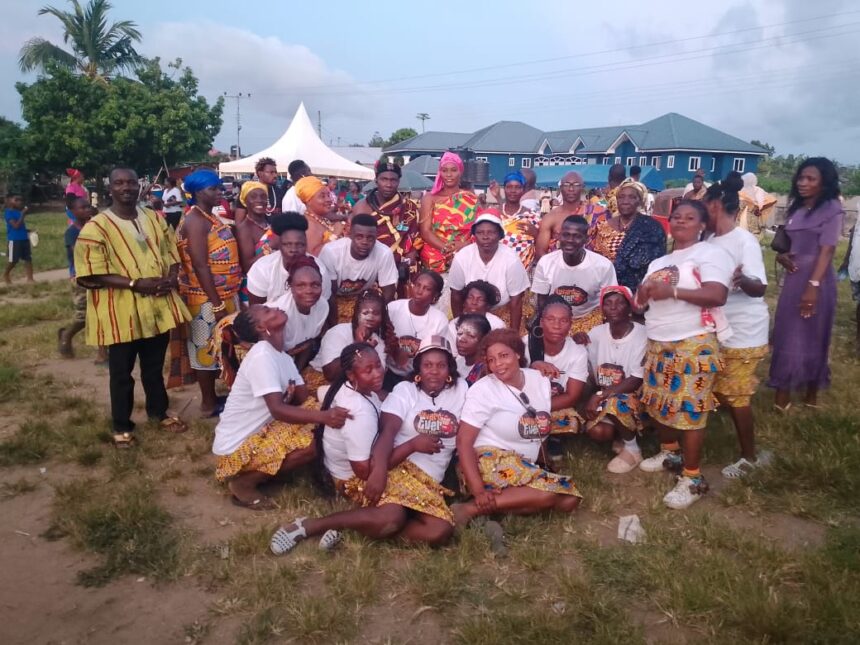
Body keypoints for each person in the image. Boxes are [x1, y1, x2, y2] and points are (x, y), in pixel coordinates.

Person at [270, 340, 463, 553]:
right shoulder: (404, 391)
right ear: (418, 368)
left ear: (450, 370)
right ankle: (311, 525)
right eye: (427, 365)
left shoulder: (461, 390)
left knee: (439, 530)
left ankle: (358, 528)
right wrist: (401, 454)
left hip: (431, 478)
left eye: (441, 365)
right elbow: (387, 432)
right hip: (400, 468)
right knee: (391, 516)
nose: (434, 371)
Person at [74, 168, 191, 447]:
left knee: (153, 367)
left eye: (130, 182)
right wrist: (135, 284)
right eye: (119, 183)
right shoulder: (96, 227)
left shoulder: (152, 217)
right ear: (110, 188)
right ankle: (121, 426)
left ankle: (158, 412)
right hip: (121, 310)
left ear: (139, 186)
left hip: (156, 306)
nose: (125, 187)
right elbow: (92, 271)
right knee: (121, 373)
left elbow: (170, 251)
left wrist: (172, 277)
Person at [635, 199, 731, 509]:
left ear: (703, 225)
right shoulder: (658, 261)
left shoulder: (710, 253)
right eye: (676, 217)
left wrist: (673, 292)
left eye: (690, 218)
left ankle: (692, 478)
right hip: (658, 340)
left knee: (690, 410)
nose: (681, 222)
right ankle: (670, 452)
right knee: (658, 402)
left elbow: (718, 294)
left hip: (692, 341)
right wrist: (643, 292)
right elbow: (641, 303)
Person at [213, 305, 351, 510]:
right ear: (262, 327)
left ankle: (274, 468)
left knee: (319, 424)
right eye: (268, 312)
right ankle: (245, 482)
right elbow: (277, 409)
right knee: (313, 443)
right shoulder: (261, 356)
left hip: (262, 429)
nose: (276, 308)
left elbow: (304, 397)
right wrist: (325, 417)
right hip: (237, 444)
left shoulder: (281, 356)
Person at [452, 328, 582, 531]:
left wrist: (543, 463)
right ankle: (470, 508)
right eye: (492, 360)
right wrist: (478, 490)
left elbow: (540, 426)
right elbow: (463, 442)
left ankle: (493, 509)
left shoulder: (538, 380)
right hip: (487, 460)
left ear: (518, 354)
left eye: (503, 356)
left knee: (568, 501)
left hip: (522, 463)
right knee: (547, 494)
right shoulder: (483, 390)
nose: (498, 364)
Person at [703, 174, 771, 478]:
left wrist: (743, 279)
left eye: (705, 205)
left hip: (744, 329)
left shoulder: (744, 240)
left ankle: (750, 457)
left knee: (736, 393)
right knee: (718, 387)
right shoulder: (708, 239)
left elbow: (760, 287)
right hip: (717, 325)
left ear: (715, 205)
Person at [769, 158, 843, 410]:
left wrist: (813, 285)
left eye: (811, 178)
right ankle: (783, 391)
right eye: (801, 177)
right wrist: (782, 256)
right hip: (793, 278)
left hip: (817, 279)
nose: (803, 182)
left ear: (824, 182)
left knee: (813, 334)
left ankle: (811, 392)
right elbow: (788, 245)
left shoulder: (832, 208)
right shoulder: (796, 209)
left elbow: (828, 250)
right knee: (787, 333)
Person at [176, 169, 243, 417]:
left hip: (223, 294)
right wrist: (216, 305)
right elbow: (200, 264)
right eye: (212, 189)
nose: (219, 192)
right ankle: (206, 403)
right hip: (204, 298)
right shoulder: (195, 220)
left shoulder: (209, 217)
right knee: (204, 349)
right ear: (196, 192)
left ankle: (215, 397)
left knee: (221, 347)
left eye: (218, 188)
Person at [577, 286, 647, 473]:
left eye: (619, 303)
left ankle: (633, 449)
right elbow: (590, 370)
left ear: (630, 307)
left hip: (634, 396)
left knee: (616, 403)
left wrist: (600, 396)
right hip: (606, 395)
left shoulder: (641, 334)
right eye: (608, 304)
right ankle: (620, 434)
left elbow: (635, 380)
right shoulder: (597, 333)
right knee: (598, 432)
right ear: (602, 309)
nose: (613, 308)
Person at [532, 215, 617, 335]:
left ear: (586, 240)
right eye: (566, 235)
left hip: (589, 318)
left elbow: (610, 300)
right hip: (557, 319)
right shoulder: (546, 262)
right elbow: (542, 300)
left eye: (577, 236)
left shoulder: (603, 266)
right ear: (559, 236)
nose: (570, 240)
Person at [448, 212, 530, 333]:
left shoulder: (511, 260)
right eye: (480, 233)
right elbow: (455, 294)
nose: (485, 237)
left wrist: (512, 335)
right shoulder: (462, 257)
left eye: (491, 232)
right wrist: (459, 325)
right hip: (470, 311)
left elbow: (516, 301)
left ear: (500, 235)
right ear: (474, 235)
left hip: (503, 311)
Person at [524, 296, 588, 444]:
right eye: (550, 319)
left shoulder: (578, 352)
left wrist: (538, 410)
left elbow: (572, 396)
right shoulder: (525, 344)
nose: (557, 325)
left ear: (571, 324)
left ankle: (549, 437)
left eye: (563, 320)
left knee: (571, 422)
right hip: (524, 403)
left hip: (553, 404)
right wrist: (532, 367)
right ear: (541, 322)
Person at [352, 161, 421, 295]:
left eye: (393, 180)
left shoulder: (409, 207)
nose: (388, 184)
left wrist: (407, 260)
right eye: (384, 179)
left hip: (402, 270)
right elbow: (354, 240)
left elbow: (415, 241)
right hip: (370, 267)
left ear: (399, 182)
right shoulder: (362, 206)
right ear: (376, 180)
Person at [318, 213, 398, 324]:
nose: (364, 242)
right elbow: (329, 293)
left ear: (376, 237)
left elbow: (388, 291)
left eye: (370, 238)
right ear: (350, 235)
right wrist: (334, 324)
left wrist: (378, 318)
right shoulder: (331, 252)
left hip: (362, 300)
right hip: (334, 300)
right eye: (359, 237)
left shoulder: (384, 253)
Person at [592, 179, 666, 293]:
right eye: (621, 197)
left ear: (640, 201)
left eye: (632, 197)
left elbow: (657, 265)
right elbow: (596, 262)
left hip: (640, 292)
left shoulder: (651, 227)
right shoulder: (603, 227)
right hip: (607, 292)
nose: (625, 201)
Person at [58, 196, 107, 363]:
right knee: (83, 317)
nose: (87, 210)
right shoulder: (72, 232)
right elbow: (79, 253)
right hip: (80, 278)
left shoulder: (95, 228)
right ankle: (67, 334)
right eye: (82, 207)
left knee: (102, 313)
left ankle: (102, 354)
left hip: (99, 276)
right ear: (72, 212)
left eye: (88, 207)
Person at [246, 212, 333, 305]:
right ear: (279, 245)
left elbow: (324, 304)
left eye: (300, 244)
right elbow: (256, 312)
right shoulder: (262, 270)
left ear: (306, 244)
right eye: (287, 244)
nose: (293, 250)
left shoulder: (320, 271)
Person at [310, 288, 395, 382]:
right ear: (356, 314)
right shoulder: (338, 332)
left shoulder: (379, 343)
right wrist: (358, 347)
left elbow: (375, 379)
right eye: (365, 312)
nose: (370, 317)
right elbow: (330, 374)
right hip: (319, 380)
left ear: (382, 317)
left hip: (354, 387)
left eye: (376, 313)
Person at [418, 152, 478, 275]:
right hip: (434, 259)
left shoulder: (471, 199)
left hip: (464, 256)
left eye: (453, 170)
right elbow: (425, 232)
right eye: (444, 170)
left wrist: (462, 246)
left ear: (460, 171)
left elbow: (479, 230)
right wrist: (447, 249)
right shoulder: (429, 198)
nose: (449, 175)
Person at [387, 270, 450, 382]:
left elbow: (436, 354)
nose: (419, 291)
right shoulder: (393, 308)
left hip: (418, 377)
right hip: (388, 371)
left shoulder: (439, 321)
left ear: (435, 295)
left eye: (427, 289)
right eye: (417, 285)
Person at [271, 256, 330, 373]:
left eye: (315, 285)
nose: (309, 291)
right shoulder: (279, 314)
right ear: (290, 286)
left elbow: (307, 343)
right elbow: (272, 357)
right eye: (301, 285)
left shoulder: (322, 306)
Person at [536, 171, 608, 258]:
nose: (571, 189)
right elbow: (540, 252)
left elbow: (604, 246)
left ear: (582, 187)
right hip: (558, 268)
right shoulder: (550, 217)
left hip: (590, 268)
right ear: (561, 187)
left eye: (576, 184)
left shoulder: (597, 213)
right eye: (566, 184)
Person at [495, 171, 541, 270]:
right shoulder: (494, 214)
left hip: (523, 271)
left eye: (517, 187)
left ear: (523, 190)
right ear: (504, 189)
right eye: (509, 187)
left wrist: (536, 234)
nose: (513, 191)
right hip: (495, 268)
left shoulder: (532, 216)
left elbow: (541, 248)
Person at [295, 176, 345, 255]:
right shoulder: (308, 224)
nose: (329, 200)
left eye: (328, 195)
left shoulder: (320, 218)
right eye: (322, 196)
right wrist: (335, 234)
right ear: (308, 201)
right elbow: (313, 255)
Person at [234, 180, 275, 275]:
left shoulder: (269, 223)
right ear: (245, 201)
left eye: (263, 196)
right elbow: (248, 267)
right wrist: (271, 246)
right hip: (257, 284)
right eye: (253, 197)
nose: (259, 200)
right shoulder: (244, 229)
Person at [235, 157, 285, 224]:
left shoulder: (280, 192)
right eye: (271, 172)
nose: (275, 175)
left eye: (276, 172)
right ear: (260, 173)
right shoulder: (248, 192)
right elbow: (239, 222)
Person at [3, 192, 33, 284]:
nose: (19, 202)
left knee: (28, 258)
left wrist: (29, 231)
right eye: (16, 200)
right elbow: (15, 226)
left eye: (20, 200)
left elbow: (21, 227)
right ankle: (5, 274)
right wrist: (22, 215)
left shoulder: (17, 212)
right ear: (9, 201)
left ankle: (30, 278)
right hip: (14, 240)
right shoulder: (8, 213)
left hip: (23, 238)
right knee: (13, 260)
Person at [454, 313, 491, 386]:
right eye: (460, 333)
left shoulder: (485, 370)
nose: (461, 339)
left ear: (483, 340)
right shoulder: (458, 361)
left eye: (471, 336)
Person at [738, 172, 778, 237]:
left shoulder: (742, 189)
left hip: (742, 214)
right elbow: (761, 203)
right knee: (752, 233)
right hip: (753, 214)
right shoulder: (758, 190)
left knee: (741, 230)